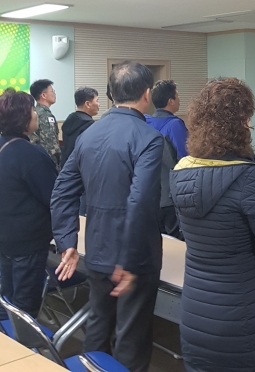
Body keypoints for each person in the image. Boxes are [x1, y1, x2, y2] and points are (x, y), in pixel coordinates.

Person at [170, 78, 255, 372]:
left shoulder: (180, 173)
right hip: (244, 317)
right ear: (241, 123)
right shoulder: (249, 178)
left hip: (196, 312)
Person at [51, 62, 164, 372]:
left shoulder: (89, 134)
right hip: (135, 259)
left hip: (97, 250)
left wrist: (67, 242)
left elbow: (62, 191)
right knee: (131, 339)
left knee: (98, 327)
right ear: (147, 94)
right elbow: (140, 202)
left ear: (111, 94)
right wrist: (127, 261)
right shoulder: (149, 138)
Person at [0, 89, 58, 318]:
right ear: (23, 118)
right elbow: (54, 197)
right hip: (28, 244)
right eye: (33, 110)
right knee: (24, 308)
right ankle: (22, 341)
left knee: (6, 301)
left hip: (4, 240)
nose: (35, 114)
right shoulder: (30, 154)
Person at [146, 80, 187, 239]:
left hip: (150, 195)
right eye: (177, 96)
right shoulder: (175, 125)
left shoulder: (146, 123)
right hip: (170, 197)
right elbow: (185, 159)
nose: (179, 99)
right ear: (170, 101)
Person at [61, 87, 99, 166]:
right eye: (97, 101)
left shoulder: (70, 119)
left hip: (67, 165)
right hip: (82, 166)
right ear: (87, 104)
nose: (99, 104)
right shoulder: (89, 125)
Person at [29, 79, 60, 170]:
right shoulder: (45, 114)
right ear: (43, 95)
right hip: (47, 163)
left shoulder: (36, 112)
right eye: (52, 91)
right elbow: (50, 143)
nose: (54, 94)